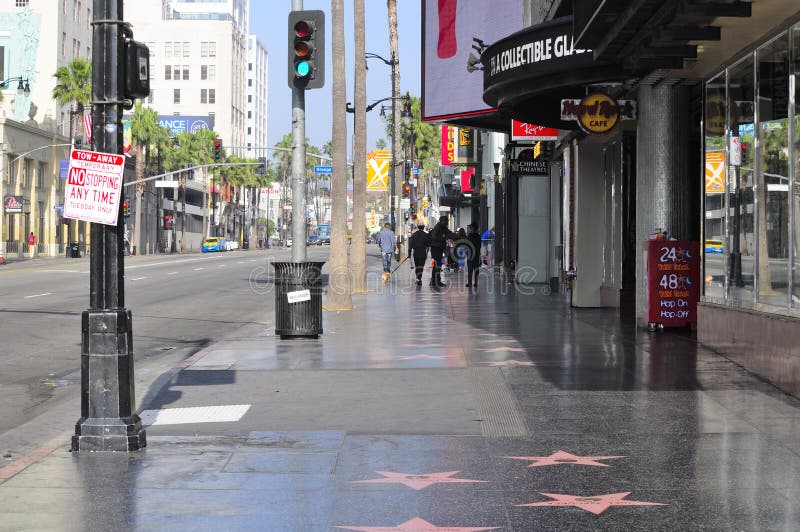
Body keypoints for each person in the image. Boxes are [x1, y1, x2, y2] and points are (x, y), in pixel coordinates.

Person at [428, 215, 458, 287]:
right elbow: (434, 237)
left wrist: (457, 236)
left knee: (438, 265)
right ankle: (435, 282)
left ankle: (437, 281)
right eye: (446, 221)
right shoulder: (437, 227)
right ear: (442, 221)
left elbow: (449, 233)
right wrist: (443, 238)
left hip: (439, 248)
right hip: (435, 248)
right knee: (437, 265)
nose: (446, 223)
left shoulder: (443, 227)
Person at [466, 222, 482, 287]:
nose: (469, 229)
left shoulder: (469, 236)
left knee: (470, 269)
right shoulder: (478, 236)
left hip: (470, 255)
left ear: (472, 228)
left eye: (470, 227)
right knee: (476, 269)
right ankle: (475, 282)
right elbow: (479, 246)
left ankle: (470, 283)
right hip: (476, 255)